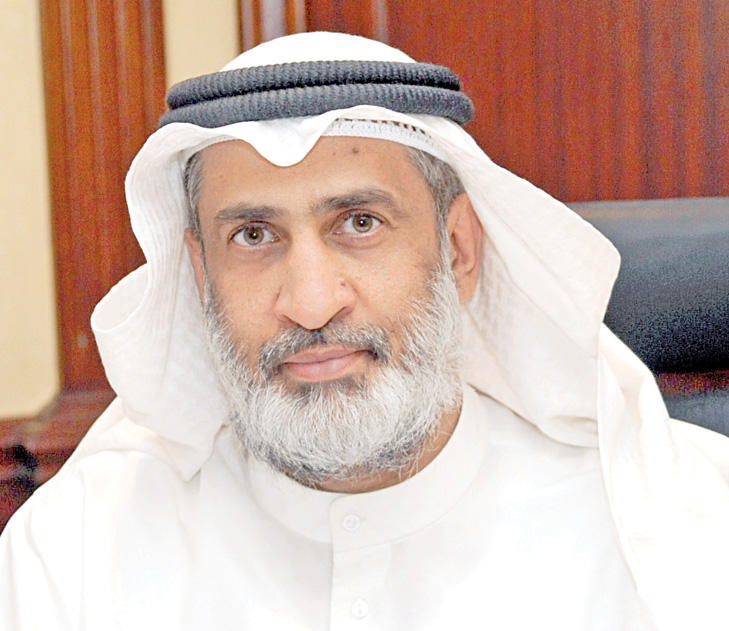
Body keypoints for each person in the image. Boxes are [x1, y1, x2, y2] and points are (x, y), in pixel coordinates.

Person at [1, 31, 728, 631]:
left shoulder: (686, 524)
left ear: (458, 249)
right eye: (254, 235)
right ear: (199, 275)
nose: (311, 303)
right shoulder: (77, 553)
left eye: (359, 223)